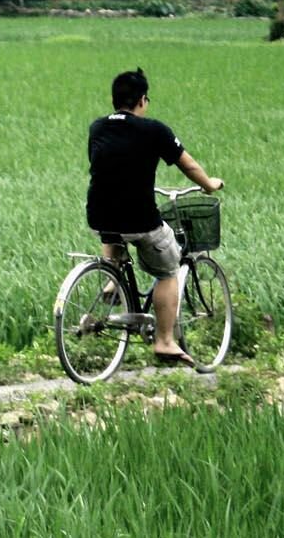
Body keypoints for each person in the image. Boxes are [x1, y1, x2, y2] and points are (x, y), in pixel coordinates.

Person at [87, 69, 224, 368]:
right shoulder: (154, 130)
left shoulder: (97, 127)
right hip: (138, 217)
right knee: (168, 269)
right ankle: (164, 341)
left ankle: (113, 280)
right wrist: (209, 184)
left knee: (113, 230)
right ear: (142, 100)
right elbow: (187, 164)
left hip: (99, 214)